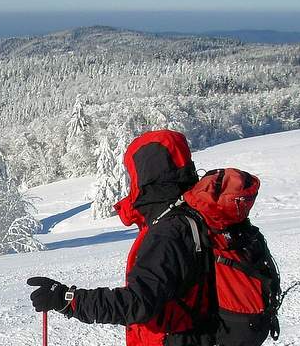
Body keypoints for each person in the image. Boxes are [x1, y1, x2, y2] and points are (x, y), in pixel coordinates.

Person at [28, 129, 212, 346]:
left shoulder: (169, 231)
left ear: (145, 174)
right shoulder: (200, 216)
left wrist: (68, 299)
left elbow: (137, 303)